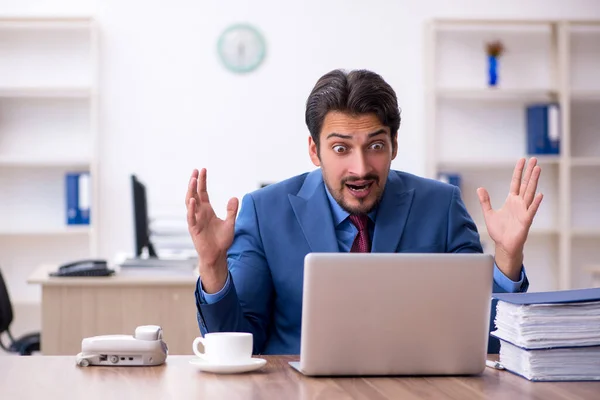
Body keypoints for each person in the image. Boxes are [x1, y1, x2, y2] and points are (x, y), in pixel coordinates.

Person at [186, 69, 543, 355]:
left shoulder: (441, 206)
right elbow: (236, 344)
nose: (360, 168)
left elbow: (488, 343)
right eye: (341, 148)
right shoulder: (265, 212)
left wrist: (508, 257)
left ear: (394, 145)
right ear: (314, 150)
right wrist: (213, 266)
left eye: (375, 145)